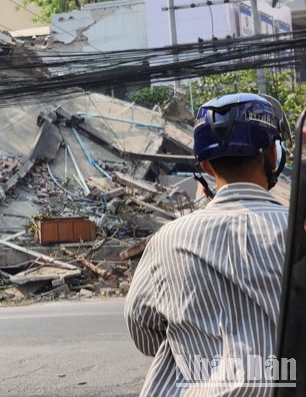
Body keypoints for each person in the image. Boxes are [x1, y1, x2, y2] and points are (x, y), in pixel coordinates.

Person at [125, 93, 291, 395]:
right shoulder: (295, 231)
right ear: (270, 155)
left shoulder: (167, 241)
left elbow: (144, 335)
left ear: (206, 165)